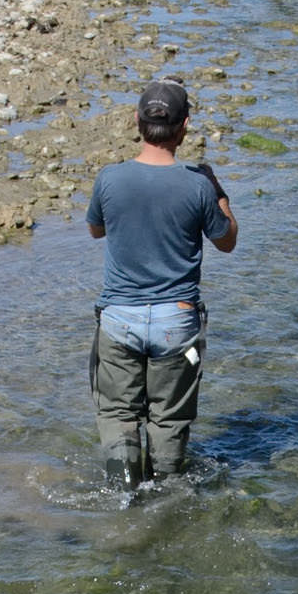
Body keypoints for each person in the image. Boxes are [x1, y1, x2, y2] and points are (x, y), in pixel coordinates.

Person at [83, 79, 236, 485]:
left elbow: (97, 230)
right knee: (169, 419)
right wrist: (218, 190)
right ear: (184, 127)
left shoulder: (110, 179)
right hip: (177, 324)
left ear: (137, 121)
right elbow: (227, 241)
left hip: (119, 320)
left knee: (118, 414)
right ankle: (167, 498)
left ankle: (124, 495)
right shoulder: (199, 185)